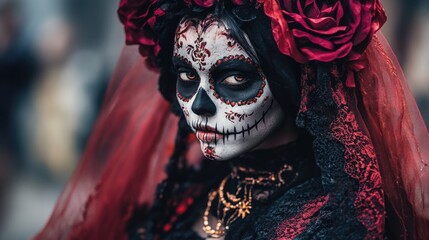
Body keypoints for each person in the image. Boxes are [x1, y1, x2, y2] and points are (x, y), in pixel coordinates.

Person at [35, 0, 429, 239]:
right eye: (187, 78)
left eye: (235, 78)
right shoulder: (187, 192)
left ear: (293, 81)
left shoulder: (336, 220)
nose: (200, 106)